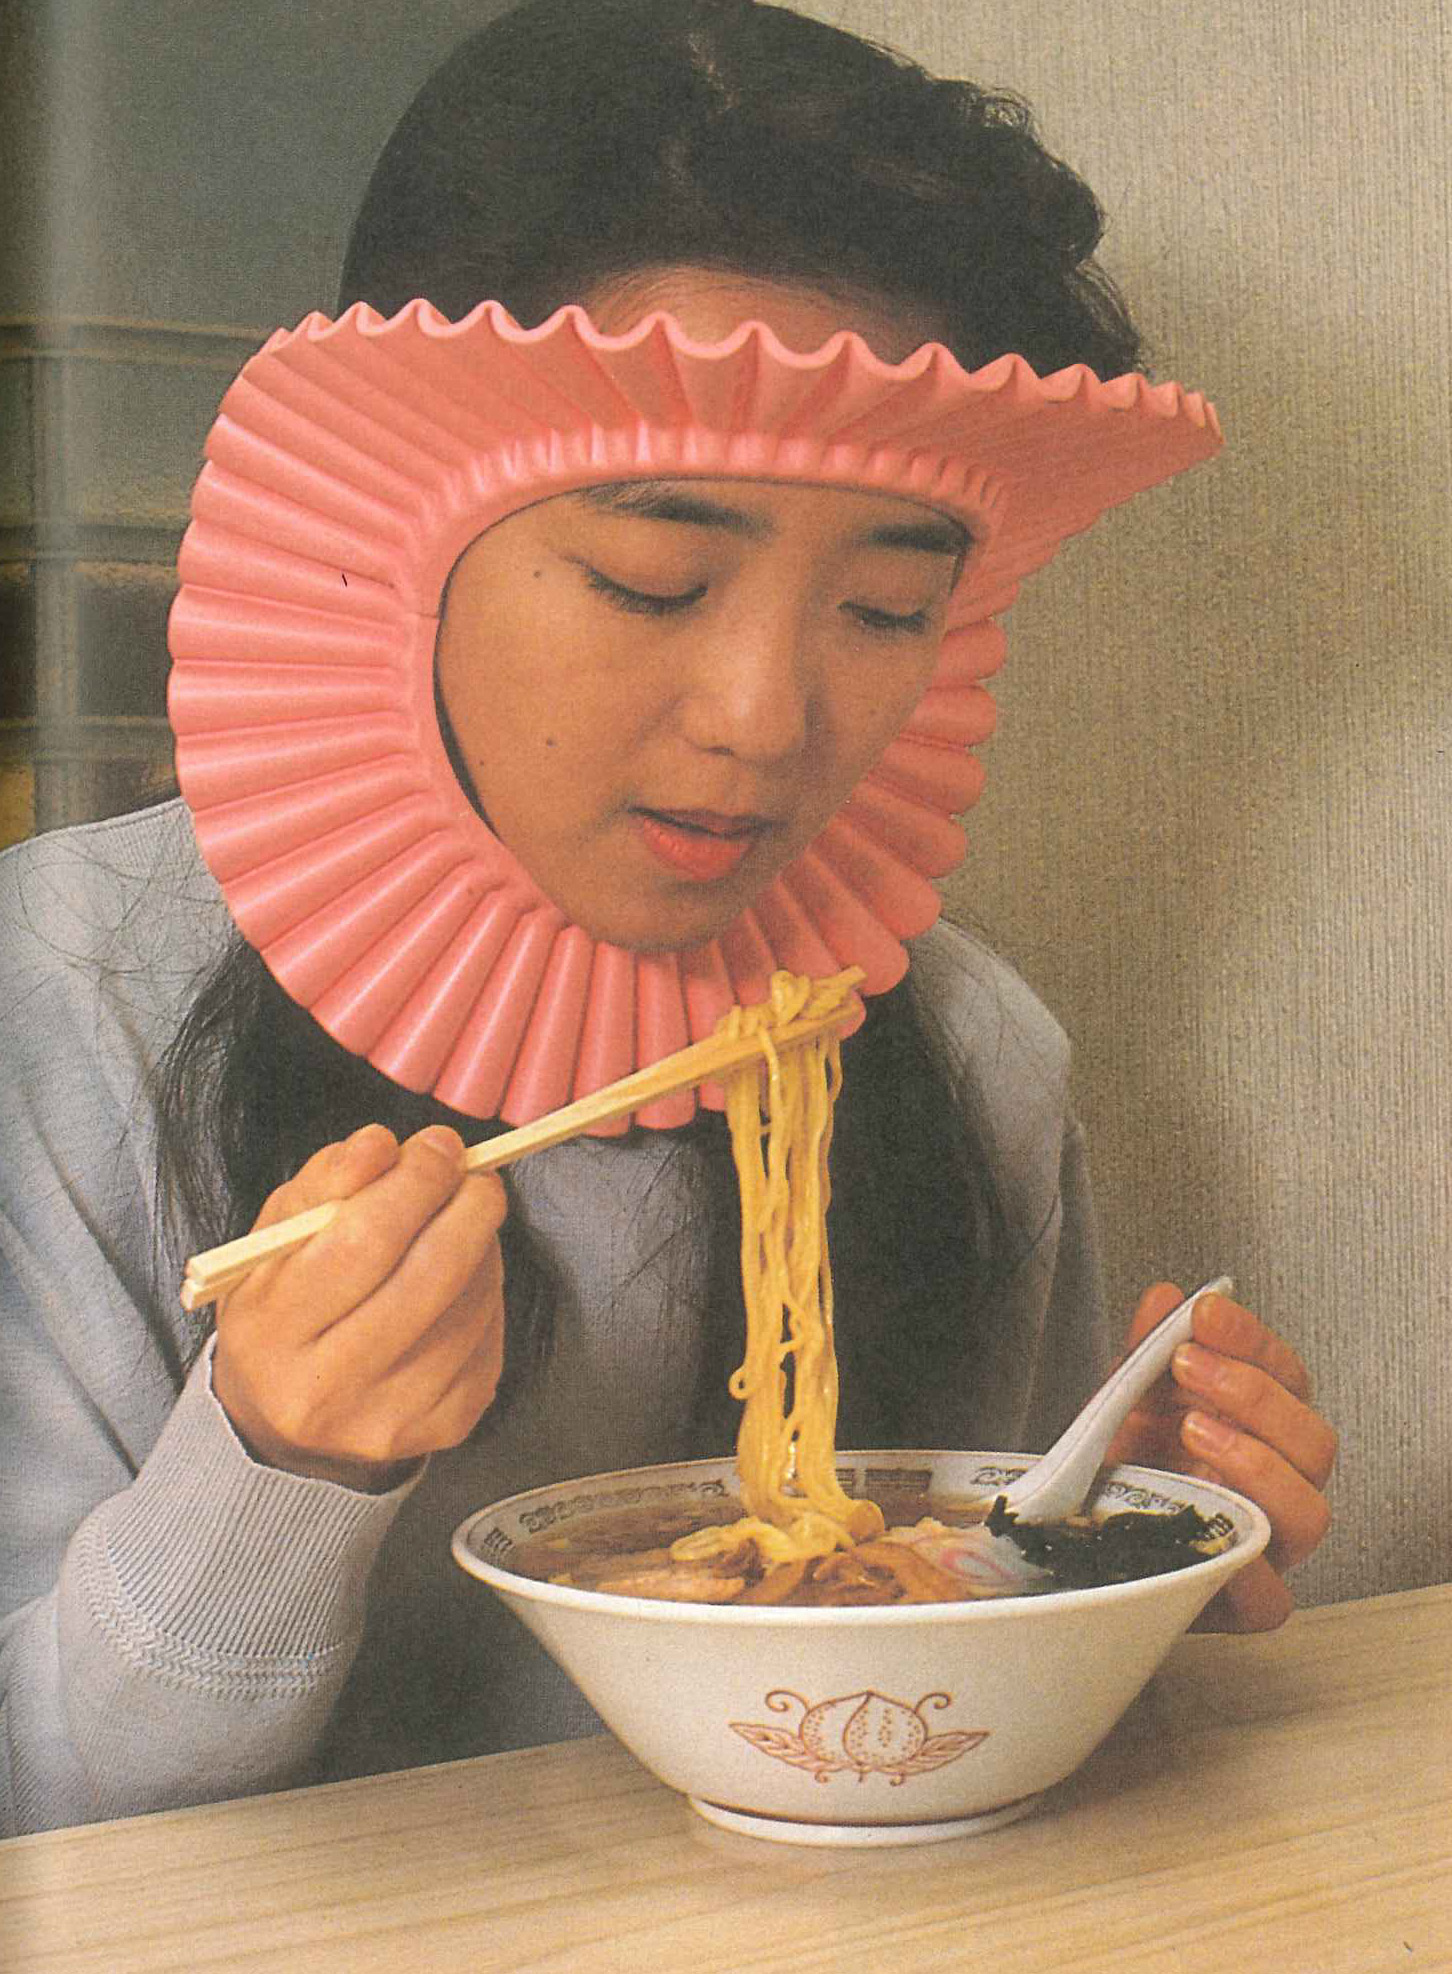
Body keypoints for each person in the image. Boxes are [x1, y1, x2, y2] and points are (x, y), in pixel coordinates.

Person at [0, 0, 1334, 1836]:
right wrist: (277, 1462)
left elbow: (925, 1710)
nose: (766, 717)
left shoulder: (964, 1041)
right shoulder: (53, 1005)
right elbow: (40, 1812)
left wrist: (1107, 1553)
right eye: (651, 577)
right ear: (403, 535)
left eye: (882, 608)